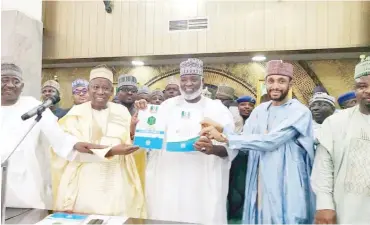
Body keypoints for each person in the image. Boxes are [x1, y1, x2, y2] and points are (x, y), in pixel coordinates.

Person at [201, 60, 315, 224]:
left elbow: (271, 141)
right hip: (260, 178)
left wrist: (225, 136)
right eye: (271, 81)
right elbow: (245, 142)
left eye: (281, 81)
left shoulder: (300, 112)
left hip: (288, 181)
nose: (275, 86)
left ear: (290, 83)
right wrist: (219, 131)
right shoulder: (259, 110)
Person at [135, 58, 236, 224]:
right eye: (184, 79)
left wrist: (212, 149)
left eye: (194, 79)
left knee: (202, 215)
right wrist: (144, 114)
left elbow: (232, 146)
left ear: (202, 81)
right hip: (169, 177)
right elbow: (151, 141)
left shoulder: (217, 109)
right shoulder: (166, 106)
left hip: (202, 180)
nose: (188, 84)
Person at [1, 63, 105, 223]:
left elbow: (58, 136)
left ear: (22, 86)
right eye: (4, 80)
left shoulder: (33, 106)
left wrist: (75, 144)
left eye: (15, 81)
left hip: (25, 189)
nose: (9, 85)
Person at [51, 67, 146, 218]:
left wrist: (133, 131)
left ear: (112, 92)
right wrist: (112, 150)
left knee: (116, 216)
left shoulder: (121, 111)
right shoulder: (75, 114)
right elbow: (74, 147)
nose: (101, 92)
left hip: (116, 176)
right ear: (89, 89)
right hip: (84, 178)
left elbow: (130, 142)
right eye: (96, 87)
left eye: (106, 88)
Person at [311, 55, 370, 224]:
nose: (368, 90)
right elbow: (323, 166)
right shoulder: (335, 123)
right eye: (362, 86)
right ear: (355, 89)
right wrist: (324, 204)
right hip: (347, 208)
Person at [227, 95, 255, 223]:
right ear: (237, 107)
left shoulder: (255, 122)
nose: (247, 107)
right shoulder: (232, 121)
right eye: (243, 105)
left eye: (250, 105)